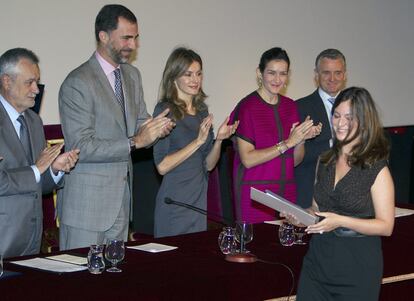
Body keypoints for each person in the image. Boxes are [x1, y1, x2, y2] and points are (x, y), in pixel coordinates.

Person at [58, 5, 174, 249]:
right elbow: (81, 147)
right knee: (80, 283)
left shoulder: (132, 76)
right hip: (86, 208)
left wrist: (157, 127)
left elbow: (140, 123)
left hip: (121, 202)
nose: (132, 45)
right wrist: (135, 141)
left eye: (135, 38)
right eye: (126, 38)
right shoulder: (77, 82)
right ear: (103, 36)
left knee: (113, 280)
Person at [296, 87, 395, 301]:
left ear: (364, 121)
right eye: (337, 116)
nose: (340, 124)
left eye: (349, 118)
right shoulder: (324, 160)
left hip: (357, 267)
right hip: (318, 263)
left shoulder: (377, 168)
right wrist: (299, 215)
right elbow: (316, 208)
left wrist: (340, 221)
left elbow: (386, 226)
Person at [0, 48, 79, 258]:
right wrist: (37, 169)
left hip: (32, 241)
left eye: (37, 82)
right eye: (30, 82)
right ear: (6, 81)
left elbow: (37, 184)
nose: (36, 89)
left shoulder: (34, 122)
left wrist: (54, 169)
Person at [153, 47, 238, 238]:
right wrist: (198, 142)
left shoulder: (202, 111)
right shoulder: (165, 110)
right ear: (174, 77)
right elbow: (162, 166)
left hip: (198, 202)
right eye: (188, 74)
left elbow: (208, 165)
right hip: (174, 202)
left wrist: (219, 141)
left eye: (199, 74)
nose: (195, 80)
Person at [229, 47, 321, 223]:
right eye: (271, 73)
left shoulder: (290, 106)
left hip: (285, 192)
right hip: (255, 195)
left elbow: (293, 161)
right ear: (259, 73)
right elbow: (248, 159)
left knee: (283, 247)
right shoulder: (248, 107)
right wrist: (287, 142)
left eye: (283, 74)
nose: (277, 79)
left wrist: (301, 140)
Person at [295, 49, 347, 208]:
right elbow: (295, 158)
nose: (332, 78)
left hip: (349, 197)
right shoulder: (299, 108)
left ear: (345, 75)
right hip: (310, 195)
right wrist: (334, 144)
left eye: (338, 73)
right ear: (316, 74)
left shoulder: (356, 106)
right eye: (326, 73)